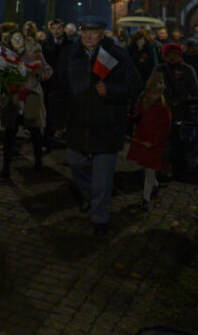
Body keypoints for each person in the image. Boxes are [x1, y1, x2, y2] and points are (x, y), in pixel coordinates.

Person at [56, 17, 141, 236]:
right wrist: (58, 121)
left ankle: (100, 217)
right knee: (76, 163)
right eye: (84, 31)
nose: (88, 36)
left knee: (103, 178)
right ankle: (89, 195)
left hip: (107, 124)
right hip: (78, 123)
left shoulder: (117, 54)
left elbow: (134, 85)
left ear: (102, 34)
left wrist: (111, 90)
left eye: (93, 32)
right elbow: (60, 89)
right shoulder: (69, 54)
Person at [1, 27, 52, 181]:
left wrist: (40, 73)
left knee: (35, 131)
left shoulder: (34, 54)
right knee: (10, 133)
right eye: (14, 40)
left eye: (20, 39)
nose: (17, 42)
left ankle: (38, 161)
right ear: (10, 42)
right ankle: (5, 167)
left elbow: (48, 71)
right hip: (13, 97)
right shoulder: (6, 56)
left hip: (31, 97)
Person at [126, 70, 171, 212]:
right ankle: (155, 186)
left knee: (149, 171)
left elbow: (165, 129)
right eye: (149, 92)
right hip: (143, 141)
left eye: (155, 93)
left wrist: (154, 142)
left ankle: (146, 199)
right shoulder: (143, 102)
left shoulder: (163, 109)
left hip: (154, 145)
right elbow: (137, 117)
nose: (151, 96)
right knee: (147, 169)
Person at [40, 18, 72, 148]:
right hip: (50, 83)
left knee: (65, 111)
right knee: (49, 112)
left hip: (65, 83)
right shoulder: (45, 45)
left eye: (59, 28)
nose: (56, 31)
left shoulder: (70, 45)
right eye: (53, 28)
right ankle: (48, 140)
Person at [155, 42, 198, 123]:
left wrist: (196, 107)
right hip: (163, 107)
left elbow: (195, 90)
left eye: (174, 55)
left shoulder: (187, 69)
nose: (172, 57)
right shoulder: (160, 69)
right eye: (169, 55)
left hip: (182, 107)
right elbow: (152, 87)